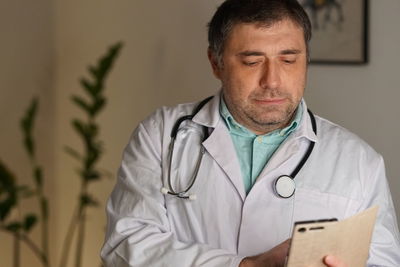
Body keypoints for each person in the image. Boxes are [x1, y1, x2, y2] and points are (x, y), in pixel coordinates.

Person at [101, 0, 400, 266]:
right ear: (216, 63)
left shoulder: (360, 162)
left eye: (288, 59)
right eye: (252, 61)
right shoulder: (161, 135)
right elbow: (124, 247)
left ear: (306, 59)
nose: (272, 81)